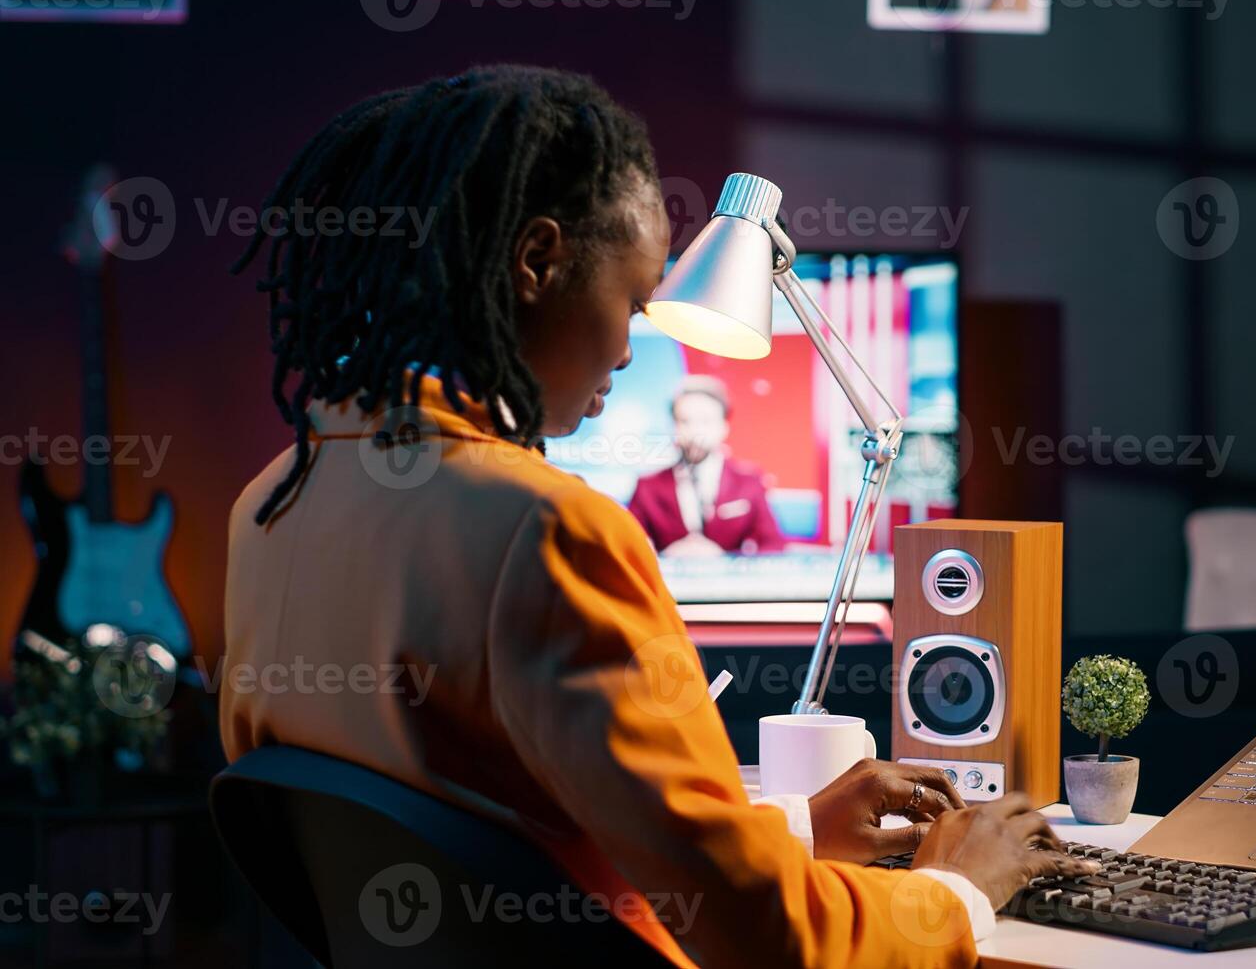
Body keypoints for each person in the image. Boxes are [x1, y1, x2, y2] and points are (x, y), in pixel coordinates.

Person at [221, 66, 1092, 968]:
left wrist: (794, 825)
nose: (631, 348)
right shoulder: (548, 529)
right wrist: (955, 889)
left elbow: (508, 829)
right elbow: (760, 936)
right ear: (537, 262)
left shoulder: (270, 505)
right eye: (633, 301)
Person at [627, 375, 786, 556]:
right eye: (684, 421)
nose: (695, 431)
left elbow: (773, 546)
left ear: (724, 427)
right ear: (673, 426)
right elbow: (627, 547)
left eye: (705, 421)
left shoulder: (748, 482)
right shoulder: (648, 487)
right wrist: (666, 557)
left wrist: (727, 560)